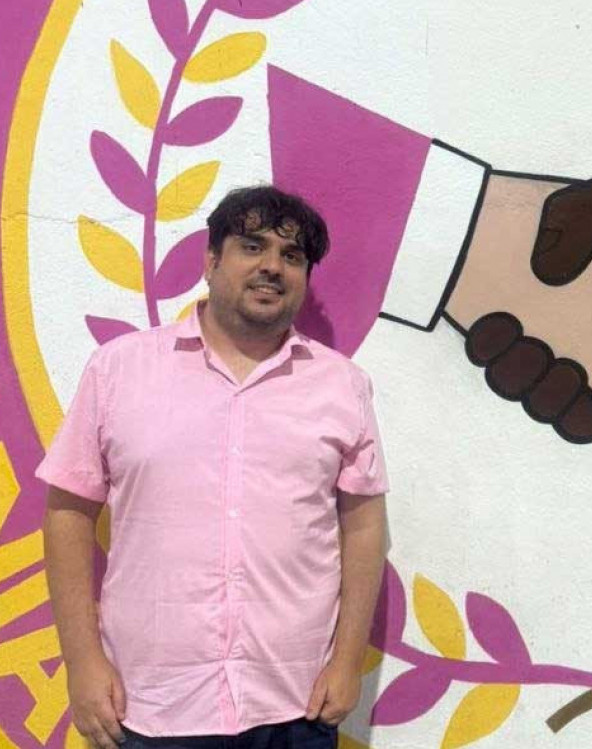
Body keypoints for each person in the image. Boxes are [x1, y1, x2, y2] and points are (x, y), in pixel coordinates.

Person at [39, 186, 389, 748]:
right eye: (252, 246)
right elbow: (67, 515)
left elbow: (364, 526)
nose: (272, 266)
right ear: (210, 260)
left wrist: (348, 662)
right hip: (150, 704)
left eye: (292, 255)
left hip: (295, 704)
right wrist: (81, 663)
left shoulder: (342, 385)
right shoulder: (119, 370)